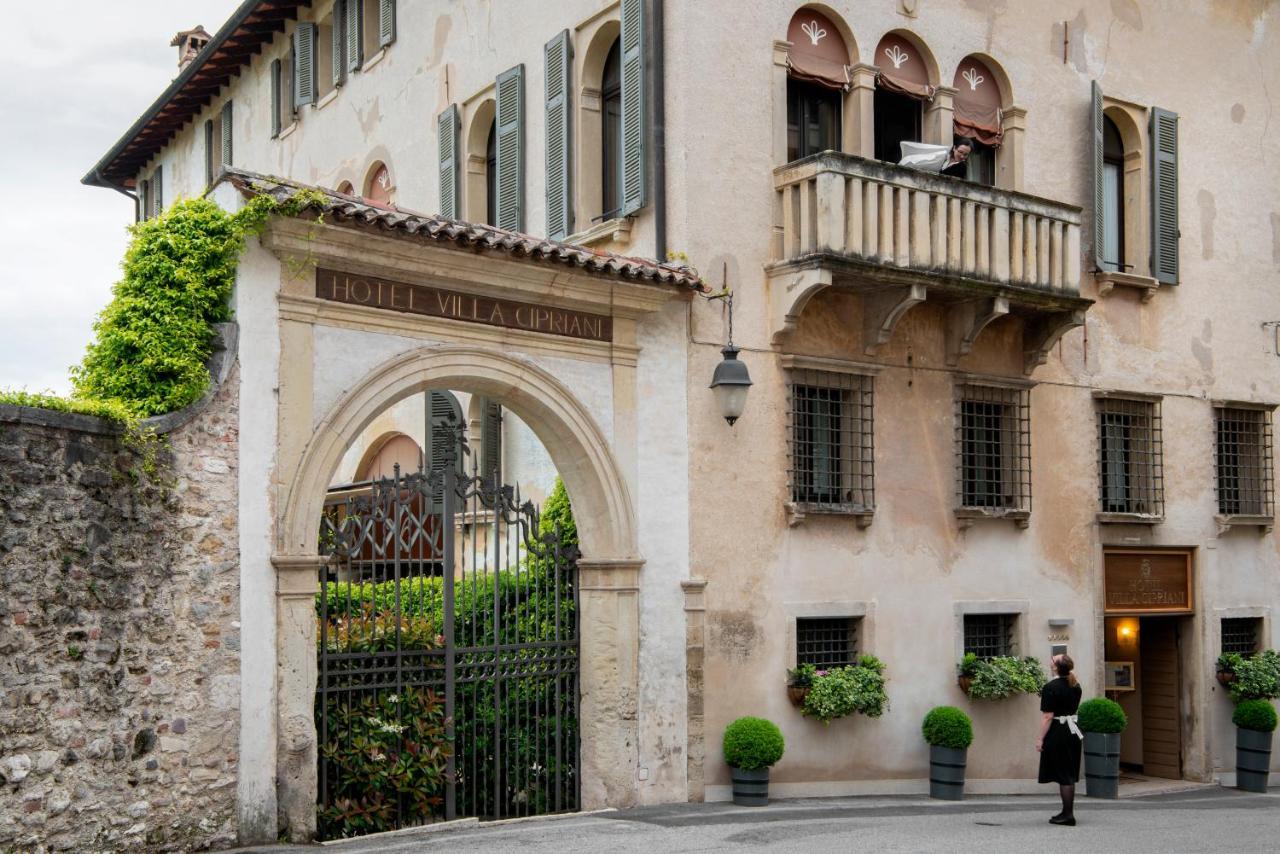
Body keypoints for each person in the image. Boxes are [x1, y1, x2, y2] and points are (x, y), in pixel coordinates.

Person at [1037, 653, 1084, 826]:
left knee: (1064, 775)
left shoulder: (1051, 687)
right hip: (1073, 731)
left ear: (1056, 667)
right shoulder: (1076, 685)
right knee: (1068, 773)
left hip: (1059, 732)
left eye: (1053, 659)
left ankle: (1068, 815)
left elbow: (1048, 716)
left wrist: (1040, 739)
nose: (1050, 660)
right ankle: (1066, 812)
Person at [897, 137, 974, 178]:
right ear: (954, 148)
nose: (962, 156)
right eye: (960, 152)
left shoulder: (962, 167)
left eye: (966, 154)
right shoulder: (944, 157)